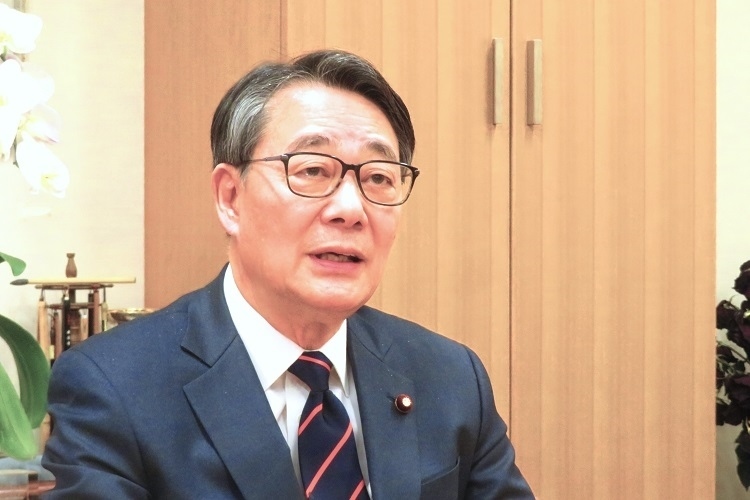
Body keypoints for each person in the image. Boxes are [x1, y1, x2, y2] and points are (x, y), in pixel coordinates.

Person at [41, 49, 533, 499]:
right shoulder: (114, 387)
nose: (351, 209)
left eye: (379, 177)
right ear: (230, 198)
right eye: (313, 171)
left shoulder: (449, 378)